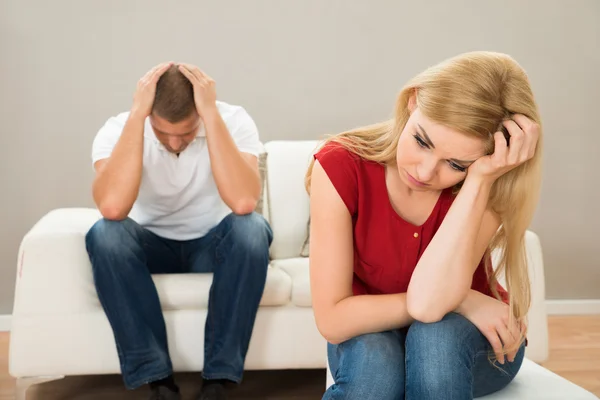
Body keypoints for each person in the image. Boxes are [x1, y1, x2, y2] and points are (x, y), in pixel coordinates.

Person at [305, 51, 542, 399]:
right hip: (371, 335)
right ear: (413, 102)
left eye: (457, 164)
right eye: (421, 141)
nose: (425, 172)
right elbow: (334, 319)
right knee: (374, 364)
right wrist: (464, 300)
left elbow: (430, 310)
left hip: (470, 342)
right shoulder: (341, 164)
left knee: (435, 341)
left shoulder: (489, 182)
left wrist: (478, 181)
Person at [85, 62, 273, 400]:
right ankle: (158, 381)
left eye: (186, 133)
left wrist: (211, 116)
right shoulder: (120, 129)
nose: (174, 142)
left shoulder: (232, 120)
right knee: (105, 234)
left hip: (212, 245)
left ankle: (218, 380)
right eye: (163, 132)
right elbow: (113, 208)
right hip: (148, 246)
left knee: (252, 229)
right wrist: (137, 118)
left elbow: (244, 201)